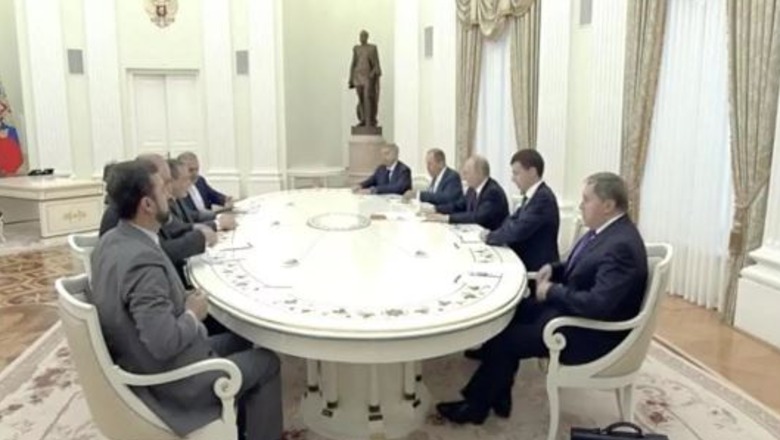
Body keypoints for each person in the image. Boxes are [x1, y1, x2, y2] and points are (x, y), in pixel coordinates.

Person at [90, 159, 283, 439]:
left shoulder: (111, 240)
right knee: (267, 362)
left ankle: (241, 428)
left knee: (243, 337)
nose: (170, 195)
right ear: (147, 205)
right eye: (163, 189)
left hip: (151, 358)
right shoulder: (142, 263)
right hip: (174, 382)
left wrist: (182, 304)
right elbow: (163, 343)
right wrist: (192, 313)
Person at [436, 172, 648, 425]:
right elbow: (581, 266)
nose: (580, 205)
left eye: (586, 199)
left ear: (608, 205)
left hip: (592, 333)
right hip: (573, 312)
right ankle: (498, 394)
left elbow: (597, 305)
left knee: (507, 340)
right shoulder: (606, 232)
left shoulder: (621, 246)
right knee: (510, 314)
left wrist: (551, 291)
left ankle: (476, 407)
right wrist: (553, 268)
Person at [426, 155, 508, 231]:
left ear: (479, 173)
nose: (464, 177)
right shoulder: (472, 189)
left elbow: (478, 217)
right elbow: (459, 206)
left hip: (491, 238)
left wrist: (448, 218)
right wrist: (435, 209)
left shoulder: (493, 192)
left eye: (466, 173)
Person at [348, 30, 382, 127]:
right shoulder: (356, 48)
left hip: (368, 77)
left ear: (367, 37)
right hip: (358, 76)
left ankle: (369, 121)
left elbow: (376, 64)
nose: (362, 37)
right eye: (360, 36)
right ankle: (363, 119)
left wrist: (372, 74)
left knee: (367, 97)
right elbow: (353, 63)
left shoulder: (372, 48)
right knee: (361, 98)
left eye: (363, 36)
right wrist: (351, 78)